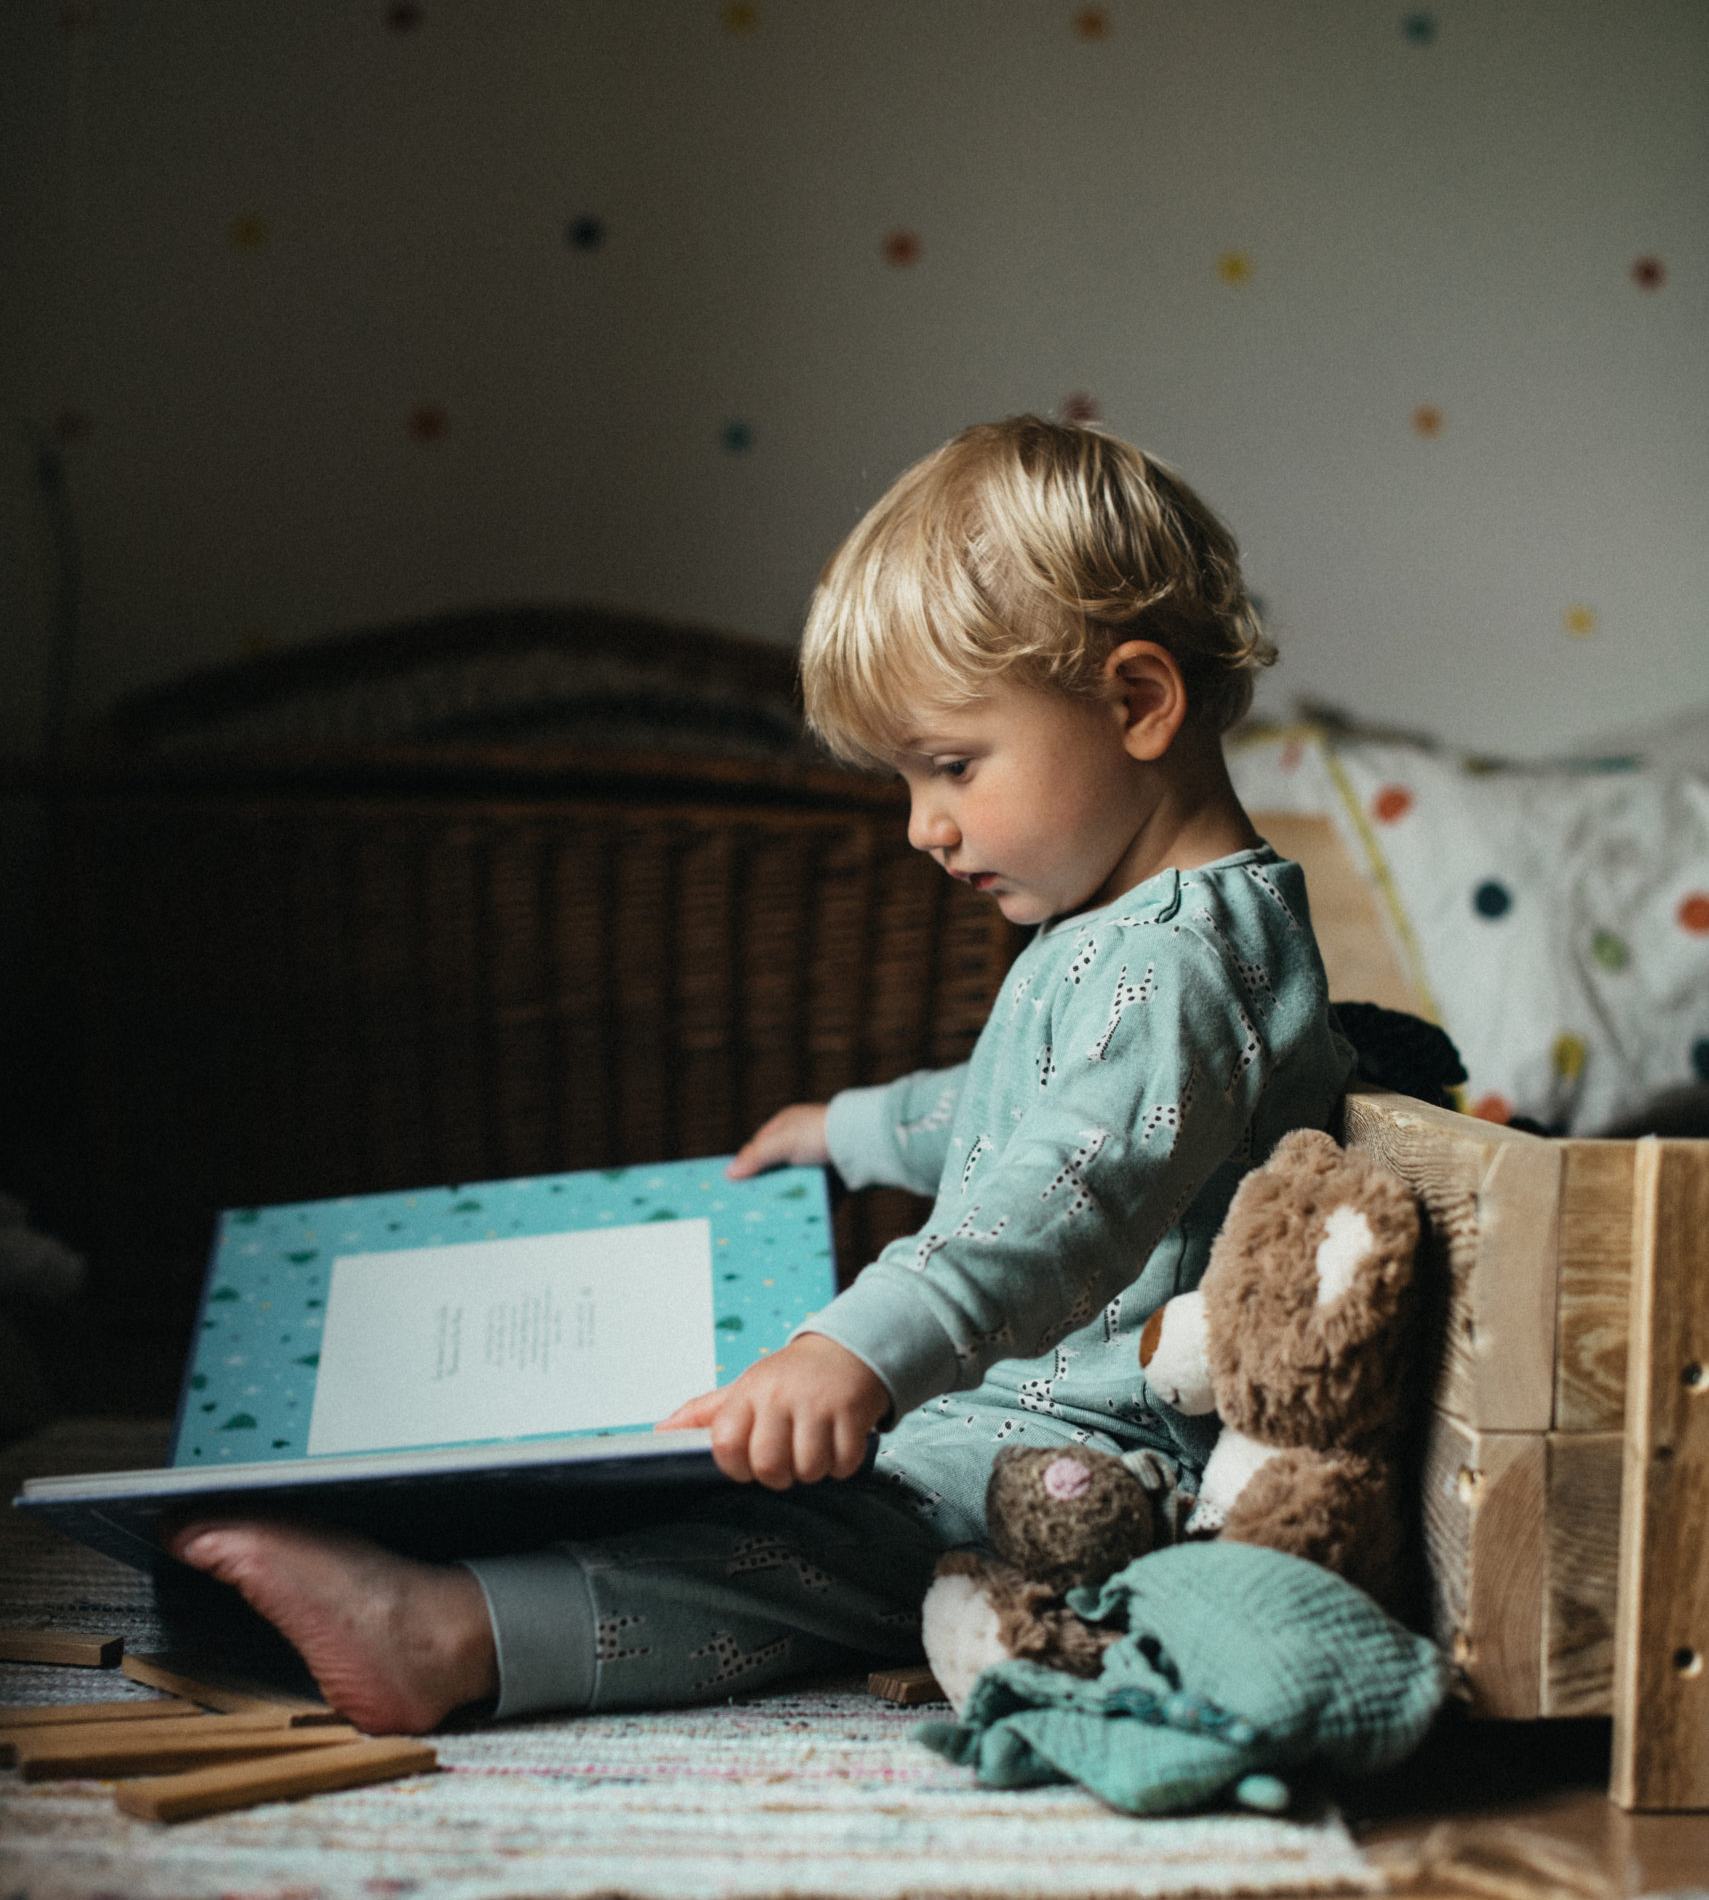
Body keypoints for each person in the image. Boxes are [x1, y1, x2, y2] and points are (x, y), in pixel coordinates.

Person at [166, 417, 1353, 1733]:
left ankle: (456, 1634)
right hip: (1002, 1395)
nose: (924, 825)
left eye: (951, 766)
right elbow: (1026, 1109)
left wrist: (858, 1342)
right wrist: (859, 1128)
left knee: (839, 1541)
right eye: (907, 778)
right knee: (739, 1454)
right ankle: (461, 1554)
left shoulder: (1184, 959)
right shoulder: (1129, 929)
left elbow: (1062, 1200)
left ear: (1137, 703)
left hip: (1090, 1450)